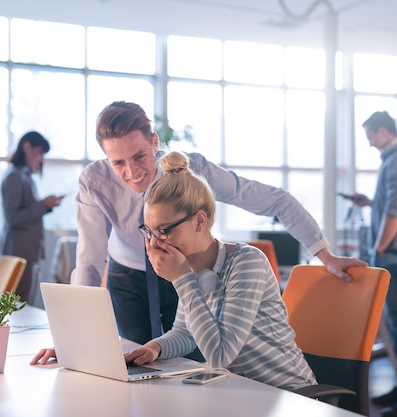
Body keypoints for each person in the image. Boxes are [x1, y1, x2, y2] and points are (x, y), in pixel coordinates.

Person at [71, 101, 366, 346]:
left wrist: (325, 256)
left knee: (192, 363)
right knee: (134, 362)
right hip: (128, 278)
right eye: (118, 163)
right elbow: (90, 261)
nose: (132, 172)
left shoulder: (191, 169)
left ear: (154, 142)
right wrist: (74, 338)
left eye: (139, 156)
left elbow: (276, 200)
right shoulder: (94, 182)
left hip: (187, 272)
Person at [33, 150, 318, 391]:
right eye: (149, 232)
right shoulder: (191, 266)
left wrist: (182, 279)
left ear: (199, 221)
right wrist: (154, 347)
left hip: (289, 394)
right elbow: (185, 333)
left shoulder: (246, 263)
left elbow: (219, 356)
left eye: (164, 231)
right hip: (241, 392)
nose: (155, 243)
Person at [346, 111, 397, 417]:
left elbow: (396, 210)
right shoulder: (395, 161)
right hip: (394, 251)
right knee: (396, 324)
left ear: (383, 131)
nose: (369, 144)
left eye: (370, 137)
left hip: (393, 252)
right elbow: (391, 203)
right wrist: (369, 202)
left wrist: (378, 249)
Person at [0, 131, 64, 303]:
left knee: (24, 303)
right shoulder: (15, 176)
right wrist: (43, 205)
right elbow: (12, 218)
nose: (41, 159)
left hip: (26, 252)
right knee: (19, 306)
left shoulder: (24, 177)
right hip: (19, 253)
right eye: (40, 152)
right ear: (27, 147)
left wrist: (45, 207)